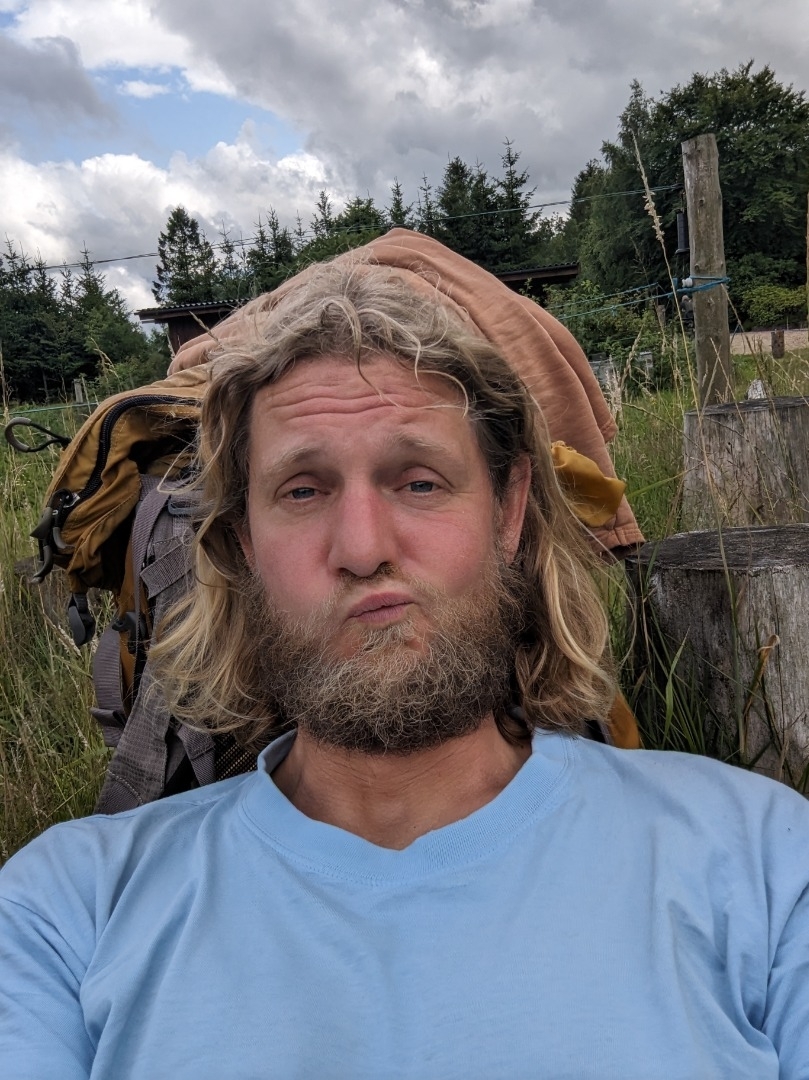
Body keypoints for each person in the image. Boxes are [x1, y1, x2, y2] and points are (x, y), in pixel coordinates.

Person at [1, 256, 808, 1080]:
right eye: (302, 491)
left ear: (508, 510)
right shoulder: (62, 911)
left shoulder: (763, 861)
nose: (362, 549)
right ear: (244, 545)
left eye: (419, 483)